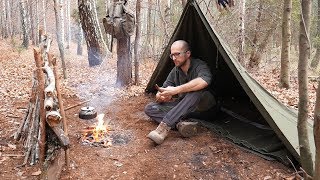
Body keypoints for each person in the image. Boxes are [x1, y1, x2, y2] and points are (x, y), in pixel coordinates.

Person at [144, 40, 215, 145]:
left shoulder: (199, 65)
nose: (174, 58)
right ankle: (180, 124)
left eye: (177, 54)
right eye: (172, 55)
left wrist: (177, 90)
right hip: (183, 109)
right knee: (150, 108)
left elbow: (204, 81)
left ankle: (164, 127)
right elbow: (164, 89)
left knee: (196, 89)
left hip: (204, 108)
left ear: (188, 54)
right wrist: (161, 96)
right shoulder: (175, 71)